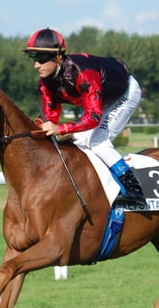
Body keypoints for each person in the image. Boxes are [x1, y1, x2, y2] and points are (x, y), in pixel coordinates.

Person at [23, 28, 145, 208]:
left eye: (41, 58)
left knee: (97, 142)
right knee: (78, 141)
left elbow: (93, 117)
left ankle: (135, 190)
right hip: (100, 98)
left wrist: (60, 129)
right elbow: (50, 116)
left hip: (124, 92)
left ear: (58, 57)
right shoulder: (46, 82)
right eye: (33, 58)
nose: (36, 65)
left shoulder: (82, 73)